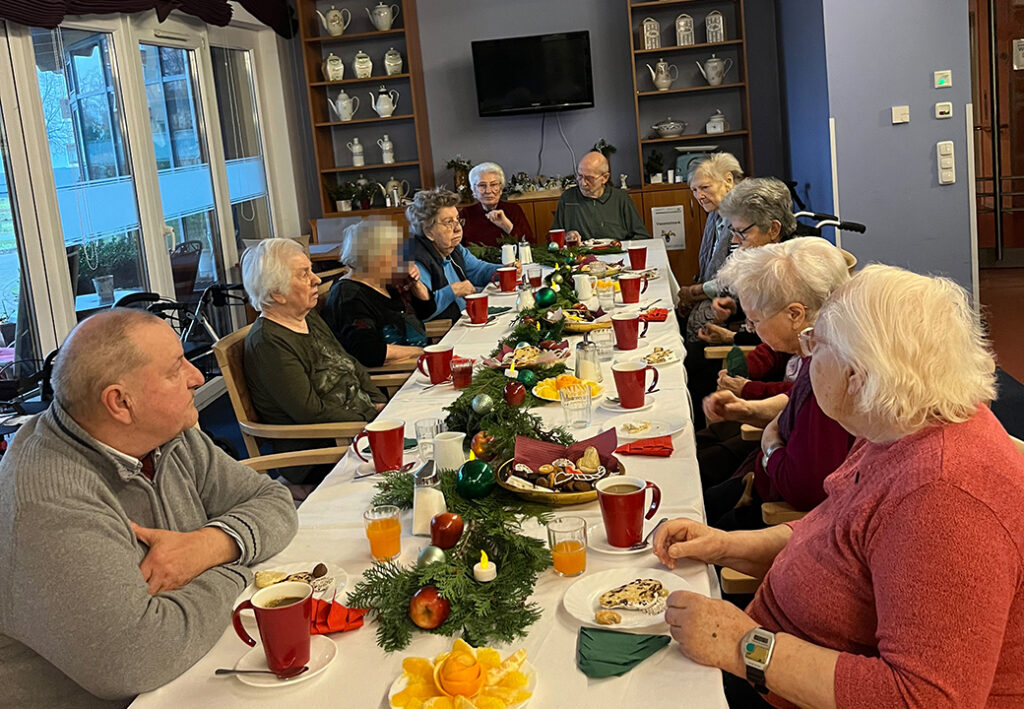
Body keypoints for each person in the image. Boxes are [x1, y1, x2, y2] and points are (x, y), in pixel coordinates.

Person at [654, 265, 1024, 708]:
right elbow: (835, 533)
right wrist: (727, 546)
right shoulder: (899, 425)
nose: (806, 357)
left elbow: (923, 699)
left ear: (858, 376)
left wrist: (740, 645)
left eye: (816, 343)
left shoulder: (944, 500)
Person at [0, 309, 297, 708]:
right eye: (176, 369)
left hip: (198, 667)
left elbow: (276, 501)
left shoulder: (167, 436)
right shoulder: (46, 499)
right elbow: (138, 657)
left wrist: (210, 546)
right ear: (121, 403)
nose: (197, 377)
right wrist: (239, 568)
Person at [696, 239, 855, 528]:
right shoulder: (820, 347)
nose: (753, 330)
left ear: (795, 314)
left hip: (780, 514)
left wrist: (771, 446)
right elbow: (796, 399)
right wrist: (749, 412)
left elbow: (805, 488)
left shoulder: (831, 373)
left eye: (755, 322)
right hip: (763, 482)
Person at [242, 238, 386, 487]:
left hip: (356, 427)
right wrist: (371, 416)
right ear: (277, 293)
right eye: (304, 274)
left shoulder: (307, 317)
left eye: (311, 271)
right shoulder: (268, 342)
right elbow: (311, 412)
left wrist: (381, 402)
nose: (316, 280)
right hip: (320, 448)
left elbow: (348, 362)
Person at [322, 217, 434, 368]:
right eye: (394, 252)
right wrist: (421, 352)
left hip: (419, 364)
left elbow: (427, 310)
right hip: (398, 377)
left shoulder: (385, 282)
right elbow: (370, 353)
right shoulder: (348, 296)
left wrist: (415, 284)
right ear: (371, 257)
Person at [409, 187, 499, 322]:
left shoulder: (453, 248)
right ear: (429, 232)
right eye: (449, 222)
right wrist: (453, 291)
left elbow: (479, 270)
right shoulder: (418, 262)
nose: (458, 228)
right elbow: (425, 311)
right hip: (447, 332)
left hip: (466, 319)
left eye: (457, 219)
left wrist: (506, 269)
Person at [675, 152, 743, 326]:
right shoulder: (715, 215)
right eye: (694, 190)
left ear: (728, 180)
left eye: (705, 187)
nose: (699, 196)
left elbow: (737, 280)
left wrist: (694, 292)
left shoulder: (741, 218)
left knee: (696, 322)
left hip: (734, 301)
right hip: (714, 292)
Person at [552, 151, 650, 242]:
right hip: (580, 257)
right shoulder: (568, 197)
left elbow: (642, 236)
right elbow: (555, 237)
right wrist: (567, 236)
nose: (583, 183)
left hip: (616, 255)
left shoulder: (620, 198)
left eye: (589, 178)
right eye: (580, 176)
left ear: (605, 178)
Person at [459, 161, 534, 246]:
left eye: (494, 184)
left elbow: (530, 245)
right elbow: (458, 249)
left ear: (501, 189)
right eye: (482, 185)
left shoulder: (514, 210)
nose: (488, 191)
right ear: (474, 189)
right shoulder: (466, 214)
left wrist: (507, 226)